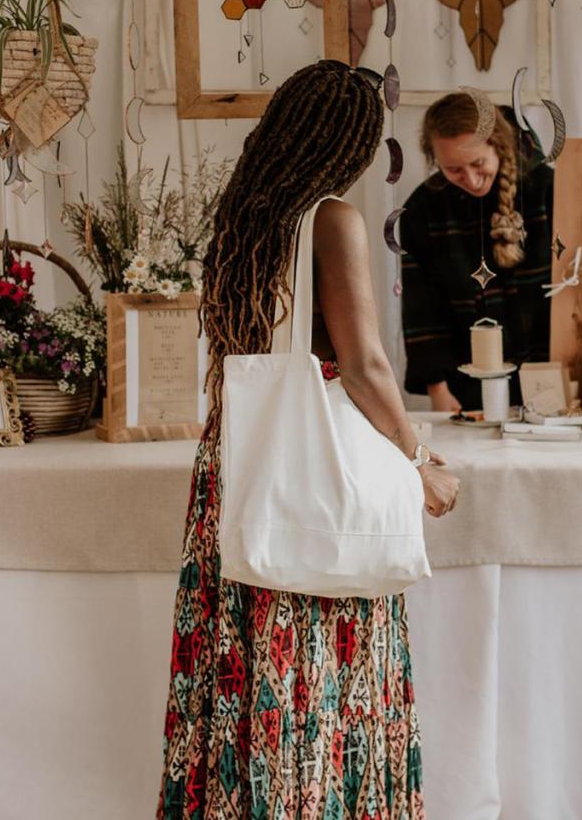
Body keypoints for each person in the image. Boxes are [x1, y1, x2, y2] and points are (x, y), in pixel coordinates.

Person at [160, 59, 460, 820]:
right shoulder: (331, 218)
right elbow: (361, 364)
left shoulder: (244, 216)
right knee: (320, 679)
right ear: (349, 148)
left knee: (241, 669)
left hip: (237, 463)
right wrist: (418, 460)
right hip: (311, 476)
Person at [399, 93, 554, 412]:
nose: (469, 179)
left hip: (554, 378)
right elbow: (422, 309)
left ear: (498, 145)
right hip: (467, 388)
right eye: (453, 169)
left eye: (478, 163)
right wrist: (437, 388)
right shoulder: (422, 210)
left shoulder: (551, 190)